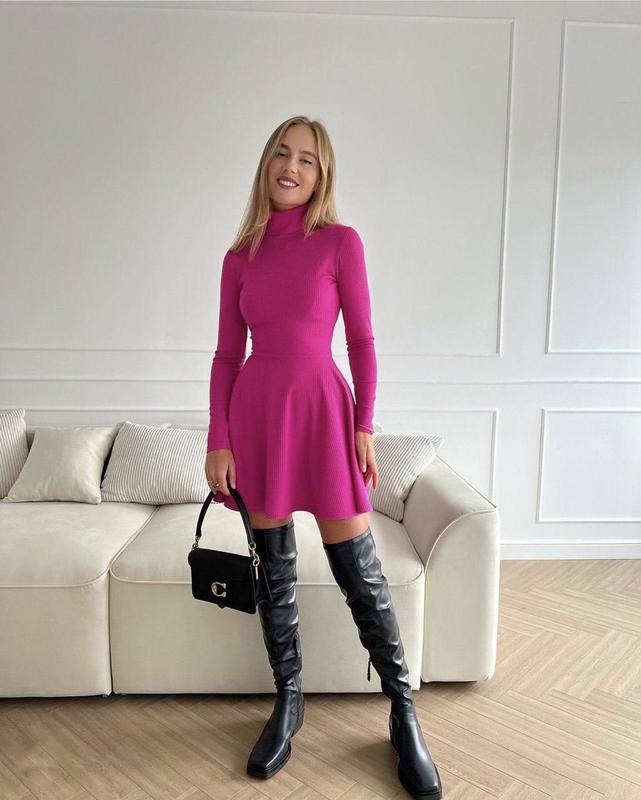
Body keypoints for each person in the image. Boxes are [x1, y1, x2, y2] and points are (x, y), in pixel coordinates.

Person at [204, 116, 442, 799]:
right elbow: (226, 355)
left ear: (322, 174)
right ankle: (289, 699)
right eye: (282, 154)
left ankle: (401, 710)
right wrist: (219, 438)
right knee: (273, 575)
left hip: (323, 416)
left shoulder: (340, 242)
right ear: (266, 164)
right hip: (258, 419)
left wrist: (364, 424)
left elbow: (362, 341)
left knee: (360, 574)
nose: (291, 166)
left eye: (306, 159)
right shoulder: (239, 256)